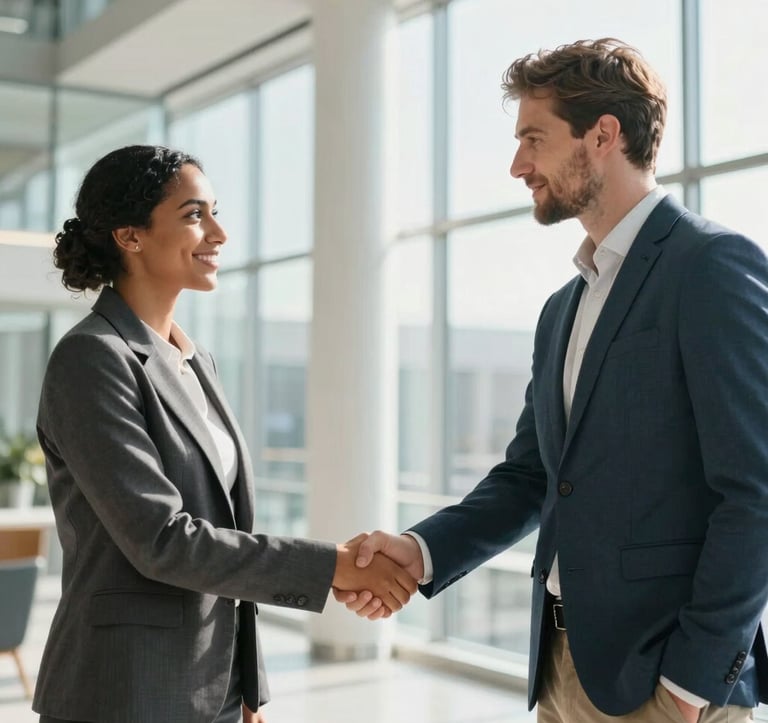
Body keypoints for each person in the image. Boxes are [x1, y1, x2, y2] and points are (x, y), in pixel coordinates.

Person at [337, 38, 768, 722]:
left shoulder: (709, 267)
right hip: (561, 669)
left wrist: (693, 683)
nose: (517, 164)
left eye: (533, 139)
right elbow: (533, 476)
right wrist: (419, 552)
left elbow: (755, 490)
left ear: (603, 135)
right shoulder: (563, 308)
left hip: (664, 681)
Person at [33, 145, 417, 723]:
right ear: (130, 236)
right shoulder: (92, 358)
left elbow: (223, 529)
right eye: (194, 214)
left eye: (215, 211)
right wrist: (332, 566)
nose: (219, 232)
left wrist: (244, 688)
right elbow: (161, 539)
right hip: (122, 691)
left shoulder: (194, 360)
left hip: (208, 690)